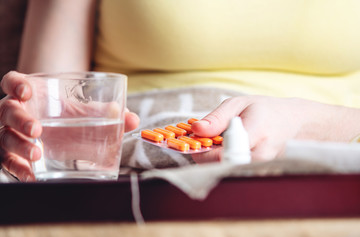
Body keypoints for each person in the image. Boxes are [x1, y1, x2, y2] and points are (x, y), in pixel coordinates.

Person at [1, 0, 360, 181]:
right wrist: (40, 123)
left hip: (336, 152)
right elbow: (48, 96)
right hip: (130, 155)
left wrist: (309, 126)